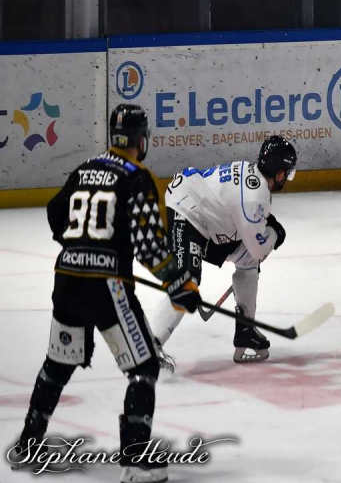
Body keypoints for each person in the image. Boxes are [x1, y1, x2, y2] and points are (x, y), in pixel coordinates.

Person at [9, 104, 202, 483]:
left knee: (57, 364)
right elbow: (149, 247)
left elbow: (55, 212)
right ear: (140, 139)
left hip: (66, 279)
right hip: (107, 287)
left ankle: (28, 445)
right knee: (143, 367)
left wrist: (80, 245)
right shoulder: (137, 177)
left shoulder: (85, 168)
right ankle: (135, 461)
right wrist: (180, 284)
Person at [151, 135, 296, 366]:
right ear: (280, 174)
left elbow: (249, 243)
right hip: (186, 209)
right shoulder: (255, 196)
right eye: (287, 173)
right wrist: (275, 234)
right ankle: (150, 345)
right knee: (186, 282)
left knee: (247, 259)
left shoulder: (252, 176)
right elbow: (259, 250)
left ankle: (245, 330)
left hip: (208, 222)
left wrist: (265, 228)